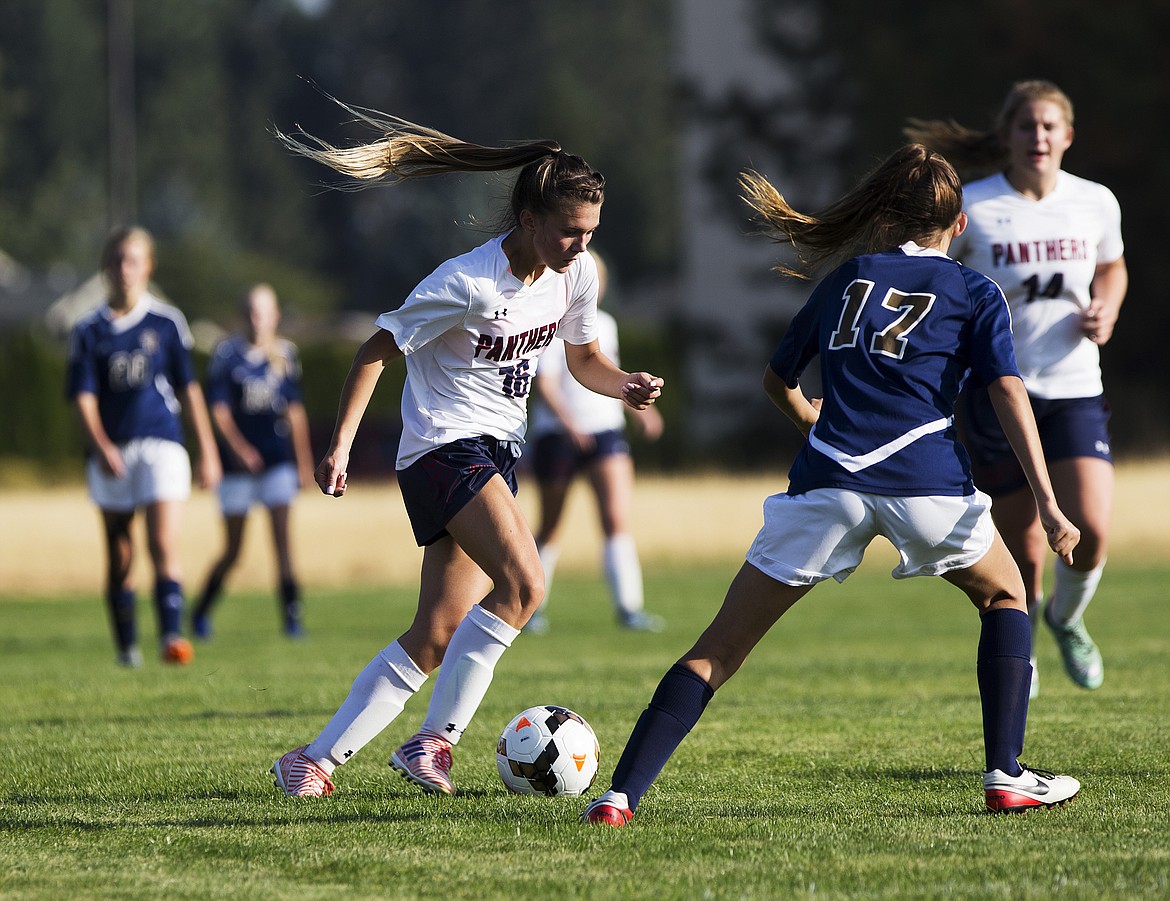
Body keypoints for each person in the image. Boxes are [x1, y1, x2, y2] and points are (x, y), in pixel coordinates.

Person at [581, 144, 1082, 827]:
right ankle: (1006, 774)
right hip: (925, 483)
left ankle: (618, 796)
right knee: (1005, 593)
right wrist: (1049, 501)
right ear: (959, 225)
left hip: (826, 484)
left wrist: (815, 422)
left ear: (882, 218)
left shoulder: (847, 280)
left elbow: (776, 380)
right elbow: (1006, 391)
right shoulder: (974, 291)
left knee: (717, 650)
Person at [268, 101, 664, 798]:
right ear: (531, 220)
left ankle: (314, 761)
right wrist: (339, 446)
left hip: (493, 454)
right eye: (571, 231)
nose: (581, 245)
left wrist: (623, 384)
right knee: (527, 584)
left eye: (591, 232)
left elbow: (583, 359)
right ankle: (434, 742)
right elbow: (373, 350)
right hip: (443, 450)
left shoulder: (577, 275)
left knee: (438, 630)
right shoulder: (467, 281)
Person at [905, 81, 1127, 697]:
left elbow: (1111, 266)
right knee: (1024, 544)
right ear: (1006, 135)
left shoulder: (1095, 202)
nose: (1039, 137)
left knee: (1092, 529)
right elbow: (939, 277)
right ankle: (1021, 645)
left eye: (1050, 127)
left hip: (1075, 385)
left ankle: (1067, 617)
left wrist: (1106, 307)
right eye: (1027, 126)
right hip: (997, 393)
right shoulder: (976, 205)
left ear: (1068, 135)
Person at [66, 225, 222, 667]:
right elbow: (83, 396)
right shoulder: (89, 329)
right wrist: (100, 446)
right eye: (116, 260)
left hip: (162, 444)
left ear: (147, 266)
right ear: (105, 268)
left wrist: (207, 451)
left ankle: (172, 637)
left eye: (133, 260)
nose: (124, 269)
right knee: (120, 553)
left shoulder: (167, 322)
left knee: (162, 542)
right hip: (112, 450)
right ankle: (127, 647)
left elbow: (189, 391)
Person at [525, 251, 665, 634]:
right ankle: (530, 607)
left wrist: (642, 411)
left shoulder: (606, 324)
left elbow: (613, 378)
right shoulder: (549, 325)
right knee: (550, 525)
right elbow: (547, 385)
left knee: (617, 519)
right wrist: (571, 427)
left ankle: (629, 608)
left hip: (606, 431)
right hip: (559, 436)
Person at [192, 284, 315, 640]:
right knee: (233, 550)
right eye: (250, 312)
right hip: (237, 470)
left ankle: (292, 619)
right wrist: (239, 449)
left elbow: (295, 412)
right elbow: (218, 410)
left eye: (262, 312)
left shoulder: (286, 355)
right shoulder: (227, 355)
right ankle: (200, 612)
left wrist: (304, 462)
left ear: (275, 316)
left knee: (283, 542)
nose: (256, 319)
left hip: (277, 462)